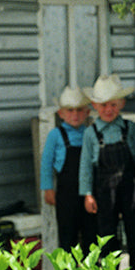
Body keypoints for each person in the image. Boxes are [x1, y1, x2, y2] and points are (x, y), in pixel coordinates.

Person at [79, 74, 135, 270]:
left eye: (113, 105)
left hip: (129, 186)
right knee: (107, 231)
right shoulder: (91, 133)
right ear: (94, 105)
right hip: (103, 189)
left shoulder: (128, 128)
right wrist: (87, 194)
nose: (108, 109)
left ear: (121, 104)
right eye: (103, 105)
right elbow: (85, 165)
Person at [40, 86, 96, 255]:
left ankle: (90, 268)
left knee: (91, 233)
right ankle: (67, 269)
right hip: (66, 193)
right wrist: (47, 188)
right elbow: (46, 163)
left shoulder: (90, 133)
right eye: (70, 110)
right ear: (61, 113)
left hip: (88, 192)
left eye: (79, 110)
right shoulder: (56, 135)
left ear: (87, 112)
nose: (75, 115)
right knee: (67, 233)